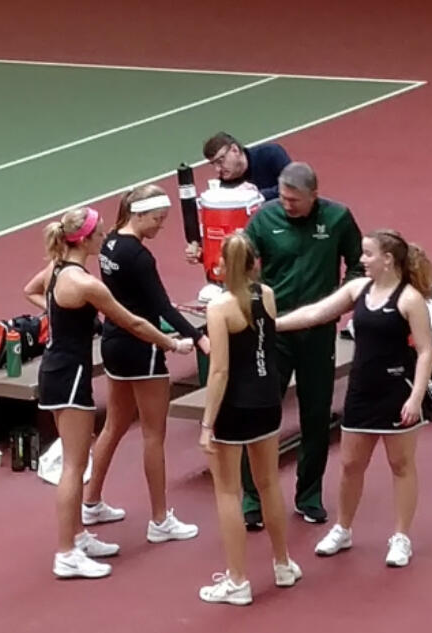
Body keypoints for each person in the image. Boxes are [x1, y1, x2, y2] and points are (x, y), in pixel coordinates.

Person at [23, 206, 193, 580]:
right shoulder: (86, 284)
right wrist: (172, 344)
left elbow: (31, 292)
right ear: (84, 239)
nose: (105, 237)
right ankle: (66, 554)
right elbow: (131, 321)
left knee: (76, 459)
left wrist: (68, 318)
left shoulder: (57, 270)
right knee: (73, 466)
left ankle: (78, 536)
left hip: (59, 370)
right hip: (69, 376)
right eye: (99, 232)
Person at [274, 229, 432, 567]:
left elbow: (424, 352)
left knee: (401, 465)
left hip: (396, 393)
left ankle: (401, 537)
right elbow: (315, 314)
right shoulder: (357, 289)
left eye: (368, 254)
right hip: (361, 392)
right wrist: (270, 324)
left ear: (387, 259)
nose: (361, 260)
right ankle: (343, 529)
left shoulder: (409, 300)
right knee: (350, 465)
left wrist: (416, 397)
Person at [238, 161, 364, 528]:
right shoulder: (264, 219)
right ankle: (252, 499)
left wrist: (339, 301)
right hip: (273, 335)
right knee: (260, 414)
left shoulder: (338, 219)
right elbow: (240, 262)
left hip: (318, 333)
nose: (287, 204)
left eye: (295, 199)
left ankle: (308, 496)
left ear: (314, 194)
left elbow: (358, 265)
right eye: (284, 197)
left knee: (315, 415)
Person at [81, 185, 207, 544]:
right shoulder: (139, 257)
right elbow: (164, 308)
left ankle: (91, 501)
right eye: (157, 219)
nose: (160, 226)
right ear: (139, 214)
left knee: (115, 425)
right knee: (154, 434)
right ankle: (159, 520)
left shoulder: (107, 246)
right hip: (143, 348)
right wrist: (197, 338)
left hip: (113, 345)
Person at [196, 233, 302, 605]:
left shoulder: (219, 308)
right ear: (254, 263)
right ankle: (283, 563)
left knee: (228, 492)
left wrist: (207, 423)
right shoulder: (267, 295)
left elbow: (220, 371)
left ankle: (238, 580)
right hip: (267, 402)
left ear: (223, 266)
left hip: (234, 408)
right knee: (269, 483)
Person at [184, 133, 291, 267]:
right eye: (213, 164)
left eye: (220, 160)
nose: (218, 169)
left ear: (235, 150)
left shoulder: (270, 154)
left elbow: (295, 187)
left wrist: (258, 196)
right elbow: (223, 230)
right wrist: (200, 251)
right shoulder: (224, 185)